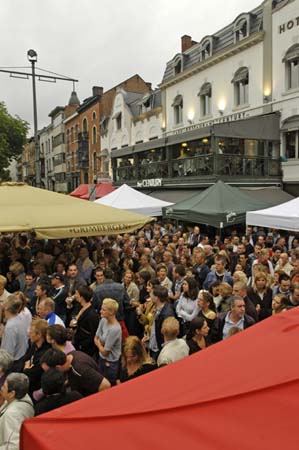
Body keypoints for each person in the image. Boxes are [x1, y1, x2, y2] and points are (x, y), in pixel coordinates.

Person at [40, 348, 111, 397]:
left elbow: (106, 385)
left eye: (48, 371)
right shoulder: (71, 354)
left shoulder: (80, 370)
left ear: (58, 367)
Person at [0, 373, 34, 450]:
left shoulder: (12, 414)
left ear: (12, 393)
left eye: (4, 386)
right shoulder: (22, 395)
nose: (1, 388)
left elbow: (13, 446)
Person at [94, 298, 122, 386]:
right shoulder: (103, 320)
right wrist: (100, 344)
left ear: (111, 312)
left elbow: (105, 352)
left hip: (111, 363)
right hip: (101, 359)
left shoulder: (115, 329)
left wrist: (99, 343)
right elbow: (95, 338)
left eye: (103, 310)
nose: (100, 311)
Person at [22, 319, 51, 395]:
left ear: (39, 335)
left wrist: (26, 369)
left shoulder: (45, 354)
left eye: (31, 332)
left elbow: (33, 375)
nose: (29, 334)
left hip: (35, 389)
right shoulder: (34, 344)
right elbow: (26, 358)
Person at [1, 295, 28, 371]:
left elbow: (8, 353)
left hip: (12, 365)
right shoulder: (20, 318)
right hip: (20, 358)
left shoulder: (11, 327)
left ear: (7, 307)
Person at [70, 285, 99, 356]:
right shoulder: (79, 306)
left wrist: (82, 345)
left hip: (86, 349)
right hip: (77, 343)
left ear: (81, 297)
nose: (75, 295)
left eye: (76, 294)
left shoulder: (92, 315)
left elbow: (93, 333)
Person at [149, 286, 175, 359]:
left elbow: (167, 334)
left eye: (151, 294)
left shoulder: (167, 314)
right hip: (154, 344)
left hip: (159, 349)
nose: (150, 296)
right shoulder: (158, 308)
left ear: (157, 298)